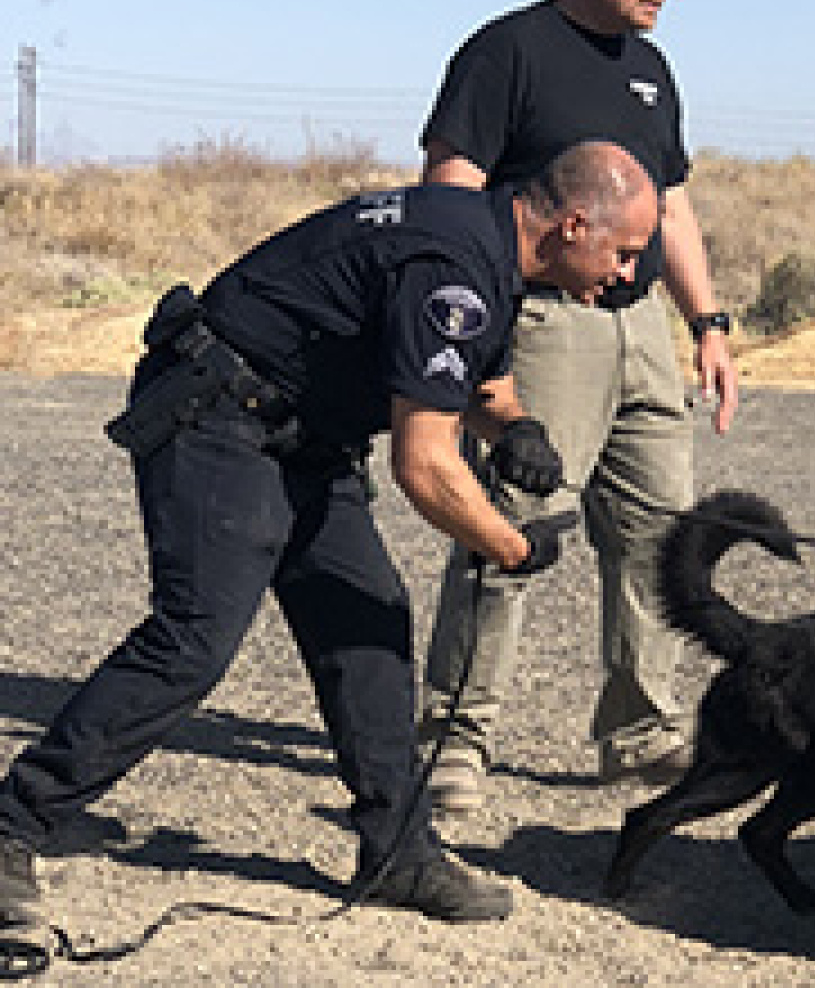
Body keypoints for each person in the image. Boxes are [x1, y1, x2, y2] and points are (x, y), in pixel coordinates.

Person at [0, 142, 659, 929]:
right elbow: (426, 466)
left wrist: (517, 428)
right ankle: (15, 824)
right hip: (219, 415)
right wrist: (512, 546)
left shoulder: (488, 241)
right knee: (194, 640)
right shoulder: (457, 264)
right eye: (623, 253)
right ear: (575, 224)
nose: (627, 273)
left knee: (368, 620)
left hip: (304, 436)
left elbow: (481, 379)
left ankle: (397, 852)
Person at [416, 0, 739, 814]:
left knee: (656, 531)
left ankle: (638, 731)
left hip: (641, 331)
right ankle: (455, 738)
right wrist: (469, 321)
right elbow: (450, 187)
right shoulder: (507, 51)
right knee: (513, 519)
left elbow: (670, 205)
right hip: (547, 320)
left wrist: (707, 323)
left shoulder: (653, 71)